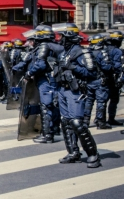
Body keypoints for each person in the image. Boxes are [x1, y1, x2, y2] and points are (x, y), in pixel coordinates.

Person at [52, 23, 101, 168]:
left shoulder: (82, 52)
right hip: (63, 90)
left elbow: (92, 73)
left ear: (69, 37)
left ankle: (93, 154)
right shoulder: (63, 53)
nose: (59, 39)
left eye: (62, 36)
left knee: (77, 123)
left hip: (76, 91)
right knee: (66, 122)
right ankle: (73, 152)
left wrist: (74, 67)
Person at [14, 26, 62, 143]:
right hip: (54, 80)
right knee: (54, 105)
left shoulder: (44, 46)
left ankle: (47, 135)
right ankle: (55, 128)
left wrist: (29, 73)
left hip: (46, 80)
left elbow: (40, 65)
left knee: (46, 106)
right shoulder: (57, 46)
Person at [84, 33, 113, 129]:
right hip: (100, 80)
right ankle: (100, 122)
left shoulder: (88, 52)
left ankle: (86, 121)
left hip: (89, 80)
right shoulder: (102, 53)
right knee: (101, 102)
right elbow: (107, 67)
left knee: (89, 101)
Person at [105, 30, 123, 126]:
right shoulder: (117, 51)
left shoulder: (104, 49)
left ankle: (100, 120)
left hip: (103, 78)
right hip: (113, 78)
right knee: (114, 99)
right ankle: (111, 118)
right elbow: (118, 66)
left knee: (102, 100)